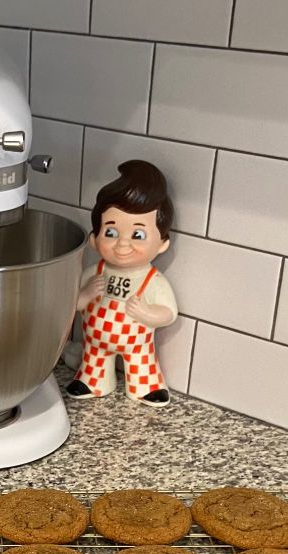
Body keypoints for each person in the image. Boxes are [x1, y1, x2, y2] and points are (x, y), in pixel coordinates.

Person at [65, 160, 178, 406]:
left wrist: (147, 312)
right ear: (94, 239)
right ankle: (92, 380)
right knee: (94, 359)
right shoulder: (94, 272)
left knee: (141, 363)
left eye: (137, 235)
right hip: (95, 343)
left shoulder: (152, 280)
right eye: (111, 233)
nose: (122, 244)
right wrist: (84, 295)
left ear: (162, 244)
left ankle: (145, 387)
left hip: (136, 345)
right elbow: (70, 304)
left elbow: (169, 313)